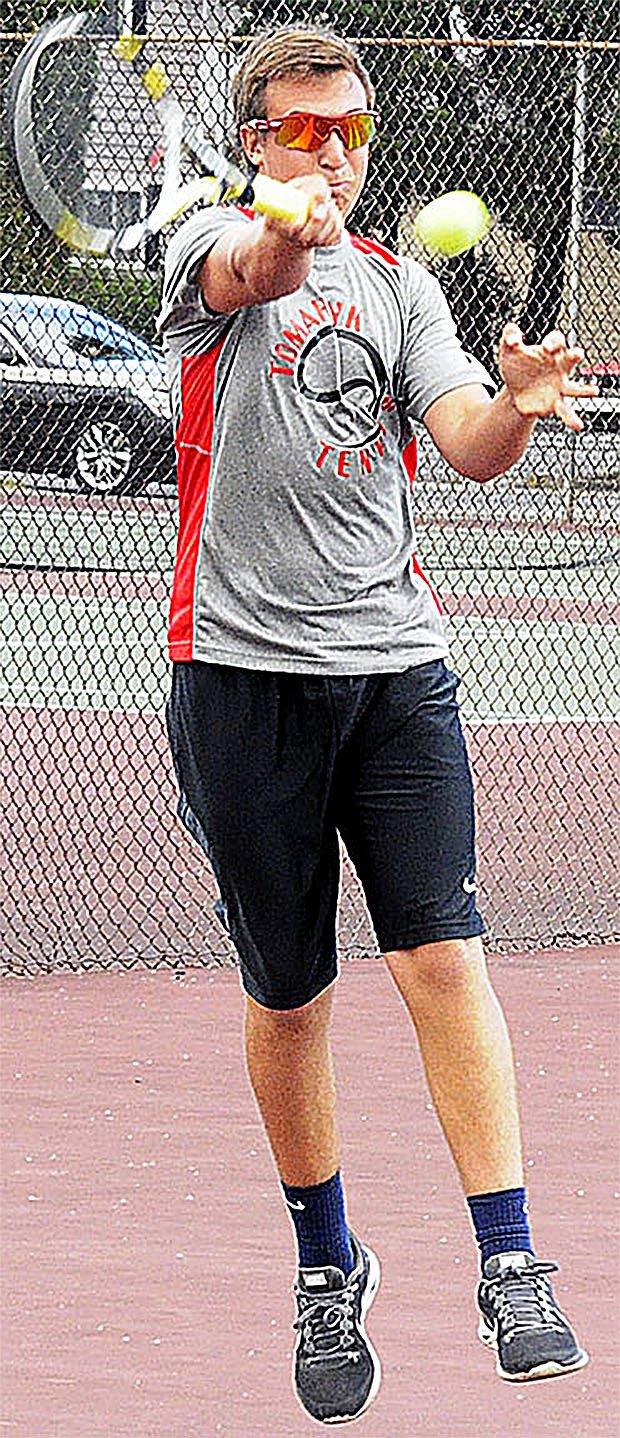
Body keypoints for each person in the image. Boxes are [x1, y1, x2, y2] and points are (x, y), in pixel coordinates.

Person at [158, 25, 592, 1425]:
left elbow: (463, 433)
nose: (331, 151)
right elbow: (257, 266)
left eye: (348, 129)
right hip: (238, 678)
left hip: (397, 671)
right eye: (300, 130)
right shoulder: (206, 248)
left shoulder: (402, 290)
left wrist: (517, 406)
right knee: (290, 998)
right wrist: (283, 226)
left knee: (441, 960)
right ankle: (325, 1263)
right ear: (254, 142)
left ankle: (509, 1255)